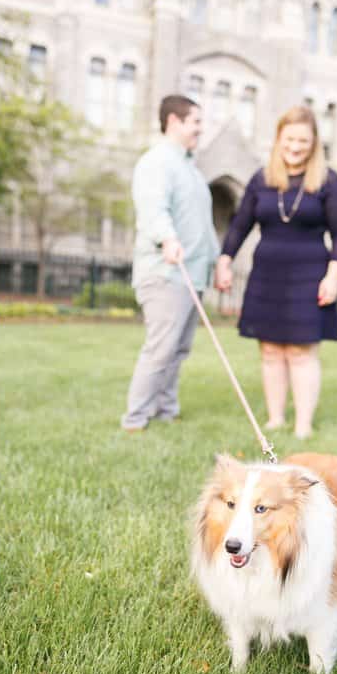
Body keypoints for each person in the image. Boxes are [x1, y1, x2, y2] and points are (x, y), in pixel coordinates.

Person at [214, 105, 337, 439]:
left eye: (303, 140)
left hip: (310, 274)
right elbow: (240, 224)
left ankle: (303, 424)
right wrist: (225, 259)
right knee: (271, 350)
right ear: (278, 138)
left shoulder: (328, 181)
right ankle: (276, 419)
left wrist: (333, 275)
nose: (295, 146)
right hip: (268, 274)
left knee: (302, 351)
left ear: (314, 142)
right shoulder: (261, 180)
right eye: (289, 138)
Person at [121, 94, 220, 432]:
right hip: (166, 272)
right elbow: (153, 207)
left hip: (193, 274)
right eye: (196, 122)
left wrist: (217, 262)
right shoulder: (157, 162)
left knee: (178, 350)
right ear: (174, 122)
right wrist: (167, 238)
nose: (200, 130)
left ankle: (165, 411)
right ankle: (135, 419)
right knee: (161, 349)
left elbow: (202, 226)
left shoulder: (190, 169)